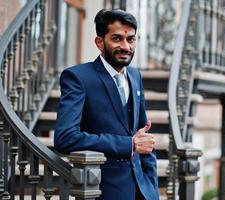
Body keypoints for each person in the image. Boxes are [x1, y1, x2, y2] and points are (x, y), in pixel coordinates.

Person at [54, 9, 159, 200]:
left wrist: (151, 187)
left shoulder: (135, 76)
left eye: (131, 39)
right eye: (117, 39)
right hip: (102, 190)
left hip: (143, 191)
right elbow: (66, 137)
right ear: (100, 42)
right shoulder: (78, 77)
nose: (126, 46)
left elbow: (142, 134)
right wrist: (129, 144)